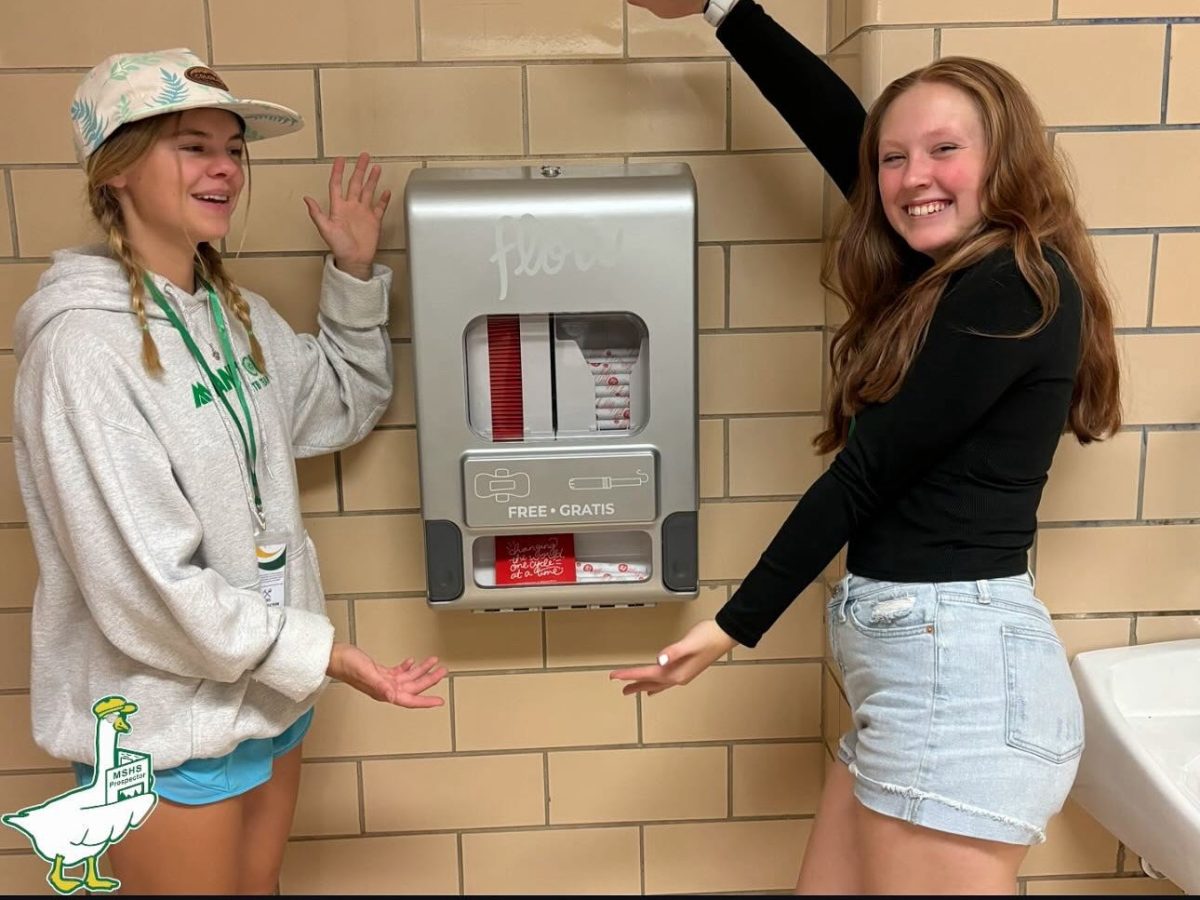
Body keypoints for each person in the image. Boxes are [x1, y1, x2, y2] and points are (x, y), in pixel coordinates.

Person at [612, 2, 1122, 894]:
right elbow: (838, 126)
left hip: (953, 682)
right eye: (895, 158)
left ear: (1005, 164)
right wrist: (722, 9)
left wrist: (731, 628)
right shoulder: (964, 271)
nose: (910, 177)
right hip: (917, 670)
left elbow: (867, 472)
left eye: (944, 150)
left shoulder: (1010, 286)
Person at [11, 48, 447, 895]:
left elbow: (341, 403)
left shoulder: (230, 317)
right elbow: (147, 590)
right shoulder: (81, 351)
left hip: (262, 702)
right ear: (118, 172)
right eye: (192, 145)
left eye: (234, 148)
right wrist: (328, 654)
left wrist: (354, 273)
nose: (225, 170)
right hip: (165, 724)